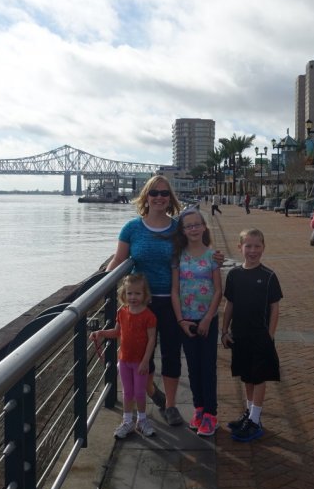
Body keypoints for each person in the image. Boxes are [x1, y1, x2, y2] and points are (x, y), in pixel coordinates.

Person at [106, 175, 224, 427]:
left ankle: (169, 405)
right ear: (145, 197)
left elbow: (197, 247)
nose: (159, 197)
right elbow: (118, 261)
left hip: (173, 301)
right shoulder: (132, 228)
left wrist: (217, 258)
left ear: (170, 198)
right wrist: (100, 283)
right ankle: (150, 392)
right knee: (139, 354)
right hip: (141, 304)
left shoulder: (176, 229)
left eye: (164, 193)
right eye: (154, 193)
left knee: (171, 354)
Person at [221, 228, 282, 443]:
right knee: (246, 375)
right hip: (240, 334)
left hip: (260, 336)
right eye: (248, 246)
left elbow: (275, 308)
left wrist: (270, 335)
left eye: (257, 246)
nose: (253, 250)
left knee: (259, 376)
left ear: (263, 248)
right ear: (240, 248)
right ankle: (249, 413)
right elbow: (230, 304)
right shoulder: (235, 274)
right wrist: (224, 330)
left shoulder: (268, 276)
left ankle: (255, 420)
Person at [171, 208, 223, 437]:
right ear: (182, 231)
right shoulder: (178, 256)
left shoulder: (212, 256)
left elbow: (218, 291)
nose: (193, 229)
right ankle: (199, 409)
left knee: (208, 367)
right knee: (192, 367)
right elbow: (174, 291)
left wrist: (208, 318)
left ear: (204, 227)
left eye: (196, 224)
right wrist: (181, 320)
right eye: (188, 226)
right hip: (186, 320)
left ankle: (211, 414)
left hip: (207, 319)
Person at [91, 274, 158, 438]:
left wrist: (145, 361)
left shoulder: (149, 316)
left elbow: (151, 340)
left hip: (140, 363)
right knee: (127, 392)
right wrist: (101, 333)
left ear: (145, 295)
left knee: (140, 392)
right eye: (129, 293)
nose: (133, 297)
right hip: (124, 360)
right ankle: (127, 421)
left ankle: (142, 421)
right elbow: (116, 332)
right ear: (124, 294)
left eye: (137, 293)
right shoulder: (122, 312)